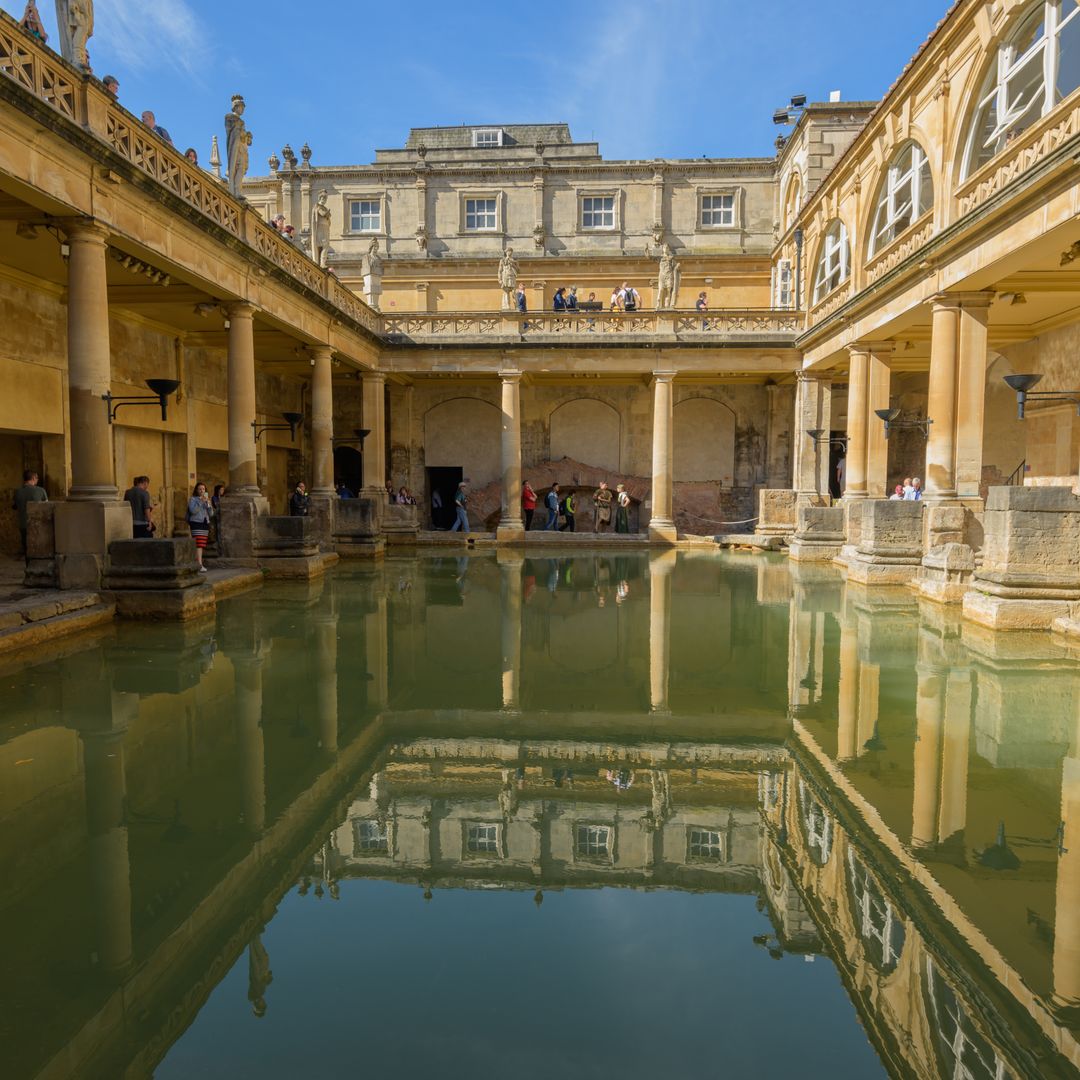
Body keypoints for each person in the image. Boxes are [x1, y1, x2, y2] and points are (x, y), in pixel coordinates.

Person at [12, 469, 47, 559]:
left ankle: (28, 567)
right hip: (37, 525)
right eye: (37, 478)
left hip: (23, 524)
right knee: (38, 549)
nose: (38, 480)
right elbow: (46, 507)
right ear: (33, 478)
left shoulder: (17, 492)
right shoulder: (41, 490)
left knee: (26, 549)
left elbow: (15, 507)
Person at [187, 482, 212, 572]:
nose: (202, 491)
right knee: (198, 544)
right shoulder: (193, 499)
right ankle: (199, 565)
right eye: (200, 489)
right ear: (196, 490)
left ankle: (199, 564)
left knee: (201, 545)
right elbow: (193, 511)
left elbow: (211, 514)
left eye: (203, 489)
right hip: (196, 523)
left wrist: (208, 504)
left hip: (205, 523)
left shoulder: (206, 499)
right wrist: (201, 502)